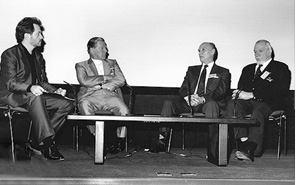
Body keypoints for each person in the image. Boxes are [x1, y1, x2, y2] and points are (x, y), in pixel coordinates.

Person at [0, 17, 74, 161]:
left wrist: (54, 91)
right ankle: (48, 144)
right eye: (39, 33)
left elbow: (42, 82)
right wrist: (29, 87)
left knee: (66, 105)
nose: (42, 37)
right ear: (27, 36)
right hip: (11, 95)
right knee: (35, 96)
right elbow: (10, 83)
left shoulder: (38, 57)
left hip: (32, 96)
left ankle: (36, 141)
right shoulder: (9, 54)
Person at [150, 42, 231, 156]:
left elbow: (220, 92)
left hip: (208, 103)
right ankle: (162, 141)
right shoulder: (192, 70)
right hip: (190, 102)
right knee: (168, 103)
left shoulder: (223, 72)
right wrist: (188, 98)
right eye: (199, 50)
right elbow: (183, 88)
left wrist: (203, 99)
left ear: (212, 52)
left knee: (212, 104)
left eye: (203, 50)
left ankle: (214, 146)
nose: (200, 53)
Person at [225, 40, 291, 162]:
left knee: (258, 112)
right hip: (248, 102)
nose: (256, 54)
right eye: (255, 51)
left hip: (269, 102)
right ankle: (245, 142)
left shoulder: (280, 68)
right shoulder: (248, 69)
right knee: (232, 105)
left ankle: (253, 149)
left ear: (269, 50)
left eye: (260, 51)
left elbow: (280, 91)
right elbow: (241, 87)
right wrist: (238, 94)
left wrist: (253, 94)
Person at [75, 37, 129, 153]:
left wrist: (104, 85)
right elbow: (84, 81)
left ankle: (120, 140)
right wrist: (105, 78)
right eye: (102, 48)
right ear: (91, 49)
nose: (106, 50)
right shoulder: (81, 65)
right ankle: (98, 138)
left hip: (110, 95)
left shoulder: (112, 63)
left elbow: (120, 80)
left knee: (124, 110)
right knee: (84, 106)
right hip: (90, 96)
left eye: (106, 47)